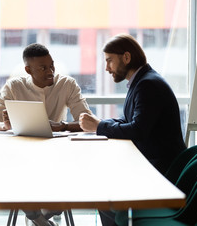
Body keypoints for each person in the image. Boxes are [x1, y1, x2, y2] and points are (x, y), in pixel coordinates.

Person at [79, 33, 186, 226]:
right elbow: (129, 120)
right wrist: (99, 123)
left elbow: (137, 129)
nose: (106, 68)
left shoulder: (147, 85)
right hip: (153, 161)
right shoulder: (143, 81)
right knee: (103, 180)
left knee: (103, 188)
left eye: (109, 61)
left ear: (126, 58)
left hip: (161, 168)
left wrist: (99, 126)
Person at [0, 43, 92, 226]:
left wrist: (62, 125)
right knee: (19, 176)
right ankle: (38, 218)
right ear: (28, 69)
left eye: (51, 65)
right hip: (22, 158)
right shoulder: (14, 87)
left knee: (68, 184)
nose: (50, 71)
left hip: (58, 156)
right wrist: (5, 126)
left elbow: (87, 121)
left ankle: (36, 216)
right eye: (43, 68)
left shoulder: (66, 84)